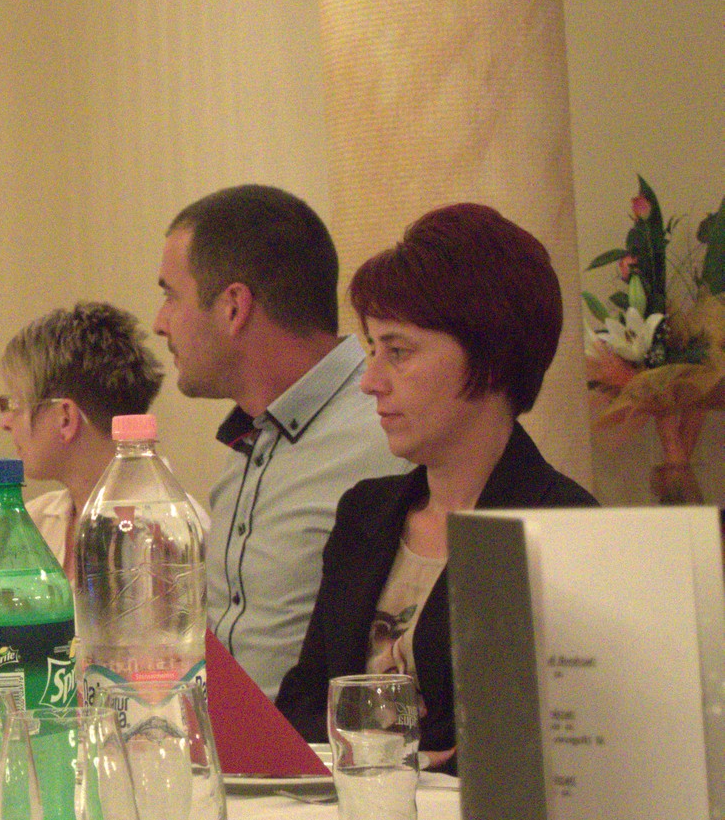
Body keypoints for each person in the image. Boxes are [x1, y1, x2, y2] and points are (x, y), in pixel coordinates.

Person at [275, 204, 596, 768]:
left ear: (490, 358)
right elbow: (303, 700)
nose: (370, 381)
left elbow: (536, 738)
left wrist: (387, 747)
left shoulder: (563, 527)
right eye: (372, 350)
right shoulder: (365, 512)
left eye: (397, 351)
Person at [154, 184, 408, 698]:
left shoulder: (390, 432)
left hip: (327, 746)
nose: (159, 323)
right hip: (225, 740)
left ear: (233, 307)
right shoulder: (251, 441)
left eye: (171, 296)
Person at [0, 301, 192, 571]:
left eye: (16, 404)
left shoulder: (172, 532)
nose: (5, 422)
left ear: (65, 419)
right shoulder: (32, 522)